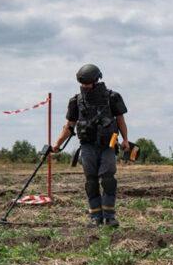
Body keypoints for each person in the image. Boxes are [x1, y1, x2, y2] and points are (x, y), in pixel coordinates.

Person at [53, 64, 129, 227]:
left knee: (108, 178)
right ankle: (95, 217)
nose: (85, 86)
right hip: (87, 146)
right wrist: (56, 145)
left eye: (87, 83)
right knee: (91, 180)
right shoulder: (76, 101)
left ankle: (109, 217)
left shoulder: (112, 97)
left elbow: (120, 120)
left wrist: (125, 140)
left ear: (96, 80)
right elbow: (69, 126)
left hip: (108, 145)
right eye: (82, 83)